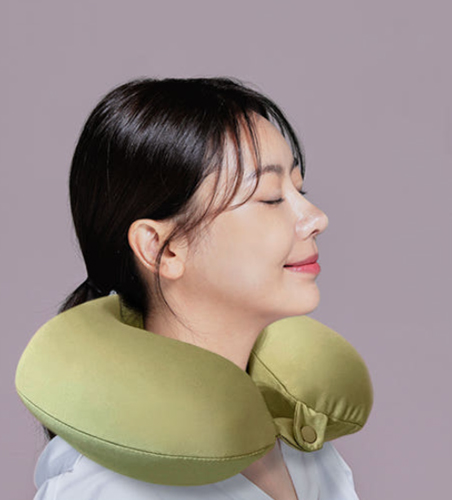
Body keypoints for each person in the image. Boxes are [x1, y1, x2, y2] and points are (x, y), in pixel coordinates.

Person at [31, 77, 360, 500]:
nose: (316, 218)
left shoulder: (305, 445)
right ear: (163, 249)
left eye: (299, 189)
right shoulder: (106, 489)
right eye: (270, 197)